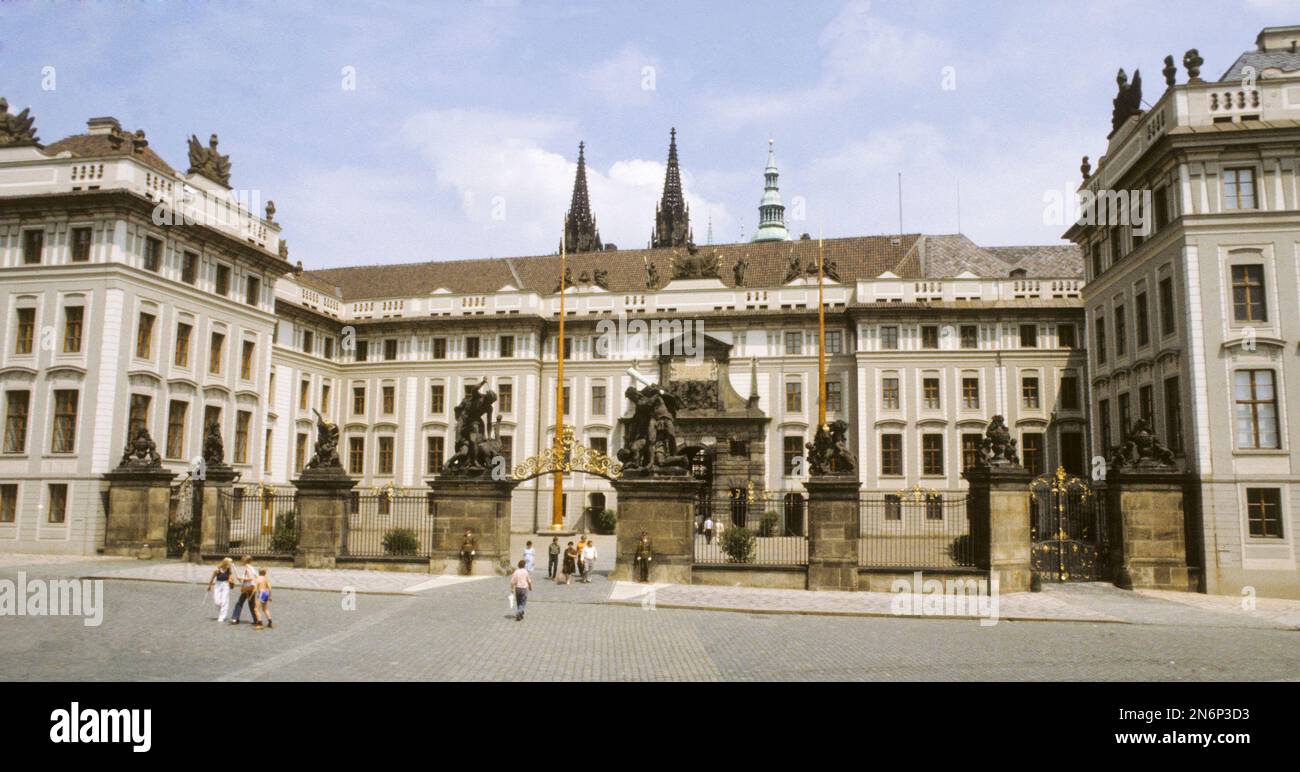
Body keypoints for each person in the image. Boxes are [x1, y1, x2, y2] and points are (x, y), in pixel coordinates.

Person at [228, 556, 259, 625]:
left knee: (239, 603)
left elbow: (251, 578)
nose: (241, 562)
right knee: (251, 604)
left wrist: (241, 578)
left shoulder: (248, 569)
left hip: (248, 588)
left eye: (242, 560)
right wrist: (242, 579)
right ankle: (256, 619)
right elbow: (256, 577)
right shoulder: (252, 568)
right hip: (252, 588)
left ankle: (235, 618)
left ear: (244, 561)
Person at [207, 557, 233, 622]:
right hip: (218, 585)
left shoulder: (229, 570)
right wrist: (209, 586)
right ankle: (222, 610)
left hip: (226, 585)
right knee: (217, 601)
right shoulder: (217, 570)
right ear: (225, 563)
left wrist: (231, 580)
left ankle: (222, 616)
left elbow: (230, 577)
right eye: (229, 564)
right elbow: (212, 578)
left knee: (224, 601)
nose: (229, 565)